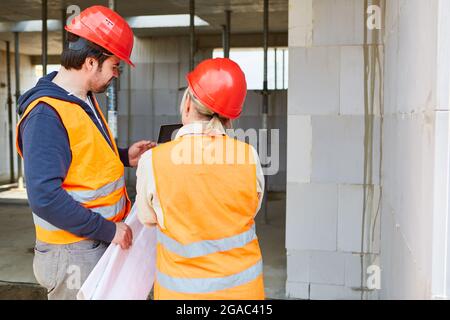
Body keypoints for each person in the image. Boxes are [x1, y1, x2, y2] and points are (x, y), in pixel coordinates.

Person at [16, 5, 155, 300]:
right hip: (72, 253)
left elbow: (82, 154)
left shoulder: (82, 97)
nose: (116, 74)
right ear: (91, 62)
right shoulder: (46, 115)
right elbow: (45, 198)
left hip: (93, 242)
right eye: (115, 66)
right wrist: (107, 230)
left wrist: (123, 155)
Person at [136, 58, 265, 299]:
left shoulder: (153, 161)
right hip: (244, 294)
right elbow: (250, 209)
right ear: (230, 118)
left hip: (182, 295)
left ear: (187, 103)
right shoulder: (249, 157)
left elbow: (148, 218)